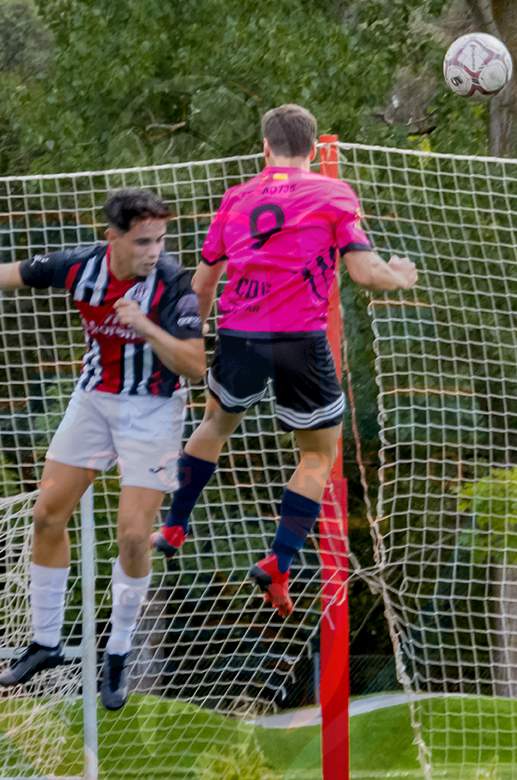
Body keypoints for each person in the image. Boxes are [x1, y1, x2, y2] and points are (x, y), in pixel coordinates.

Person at [0, 189, 206, 708]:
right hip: (93, 400)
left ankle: (118, 651)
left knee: (133, 537)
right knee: (47, 515)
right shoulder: (79, 267)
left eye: (160, 240)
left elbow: (195, 365)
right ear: (113, 238)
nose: (154, 251)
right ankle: (45, 642)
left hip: (152, 409)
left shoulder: (172, 282)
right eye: (143, 241)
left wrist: (143, 324)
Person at [152, 104, 418, 617]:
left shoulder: (236, 198)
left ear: (265, 149)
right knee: (317, 456)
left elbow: (202, 285)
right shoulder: (333, 193)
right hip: (300, 339)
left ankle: (174, 525)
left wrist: (190, 340)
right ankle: (279, 560)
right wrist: (399, 276)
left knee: (214, 424)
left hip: (239, 335)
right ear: (314, 150)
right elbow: (365, 272)